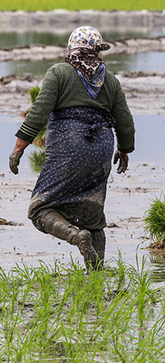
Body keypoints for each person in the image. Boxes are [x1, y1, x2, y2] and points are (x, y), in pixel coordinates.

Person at [8, 26, 135, 270]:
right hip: (102, 148)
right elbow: (125, 121)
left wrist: (19, 147)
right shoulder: (109, 80)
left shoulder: (59, 72)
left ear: (71, 48)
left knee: (40, 209)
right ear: (97, 50)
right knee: (93, 215)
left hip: (69, 145)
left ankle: (76, 237)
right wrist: (124, 149)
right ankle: (96, 274)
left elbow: (39, 111)